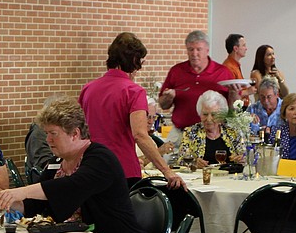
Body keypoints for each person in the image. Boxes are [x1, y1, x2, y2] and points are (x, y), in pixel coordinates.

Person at [0, 98, 151, 233]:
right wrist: (8, 203)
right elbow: (36, 205)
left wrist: (22, 190)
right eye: (47, 134)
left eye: (53, 134)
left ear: (75, 133)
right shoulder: (56, 163)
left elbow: (70, 187)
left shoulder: (100, 158)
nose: (48, 140)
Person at [79, 32, 183, 189]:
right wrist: (167, 171)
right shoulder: (134, 91)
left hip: (90, 168)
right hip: (122, 171)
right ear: (134, 61)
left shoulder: (88, 89)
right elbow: (140, 135)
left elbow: (80, 132)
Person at [158, 30, 237, 149]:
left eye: (198, 49)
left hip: (212, 136)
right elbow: (163, 105)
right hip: (181, 133)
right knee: (166, 163)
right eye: (190, 49)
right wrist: (168, 97)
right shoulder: (176, 71)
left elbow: (234, 109)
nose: (194, 53)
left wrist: (234, 93)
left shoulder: (222, 72)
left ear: (207, 50)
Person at [177, 90, 245, 168]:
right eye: (205, 114)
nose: (209, 119)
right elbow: (180, 160)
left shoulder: (233, 133)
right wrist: (194, 162)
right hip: (202, 177)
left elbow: (245, 155)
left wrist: (241, 159)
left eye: (213, 115)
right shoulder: (191, 132)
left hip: (229, 177)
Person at [138, 98, 175, 167]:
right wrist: (158, 152)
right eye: (148, 117)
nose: (151, 122)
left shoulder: (151, 140)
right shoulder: (127, 139)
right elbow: (132, 164)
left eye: (154, 117)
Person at [223, 33, 256, 102]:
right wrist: (247, 91)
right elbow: (229, 92)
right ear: (236, 48)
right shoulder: (228, 67)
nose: (246, 48)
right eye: (243, 45)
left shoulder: (235, 65)